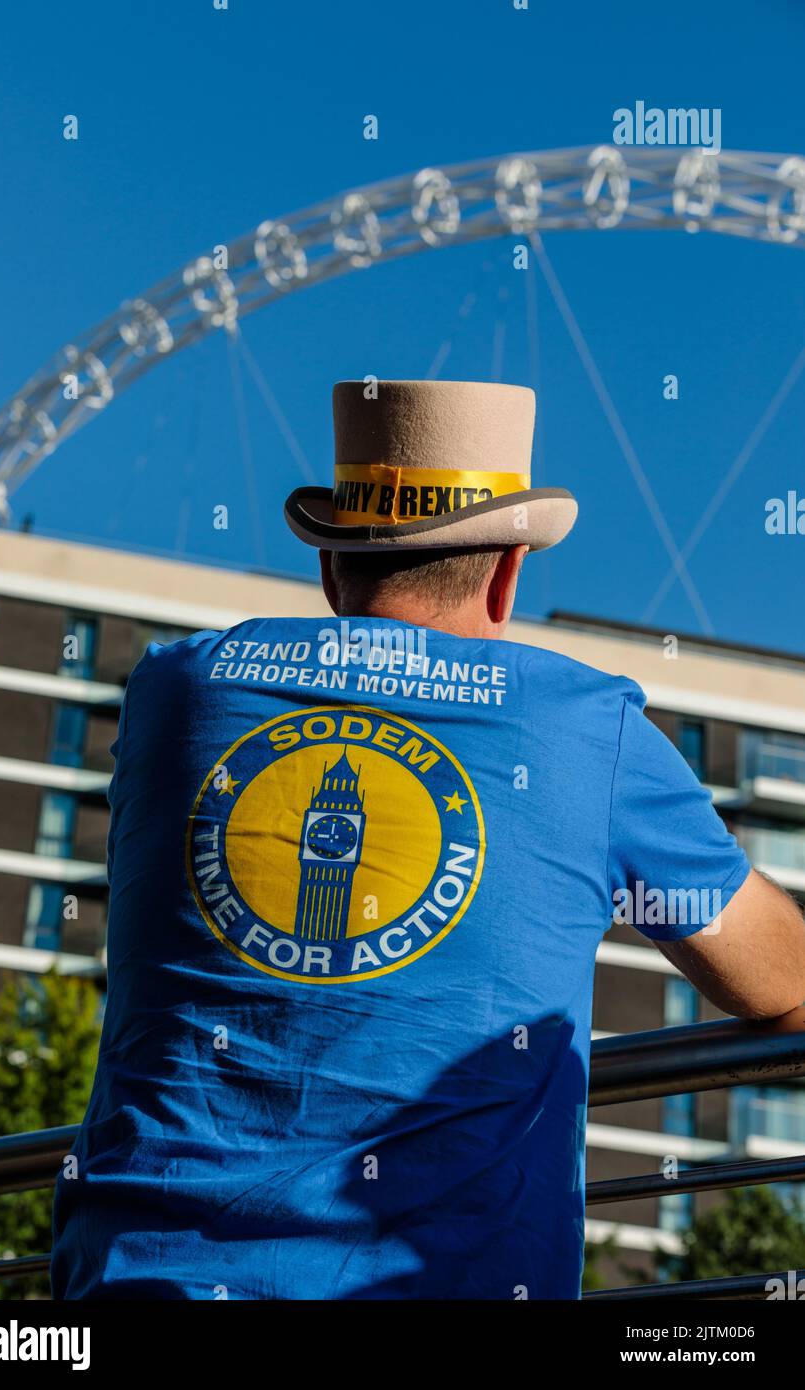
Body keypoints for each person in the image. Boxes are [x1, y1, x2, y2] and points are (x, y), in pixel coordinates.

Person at [51, 379, 805, 1300]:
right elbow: (783, 984)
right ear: (505, 575)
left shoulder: (176, 692)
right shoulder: (579, 726)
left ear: (332, 567)